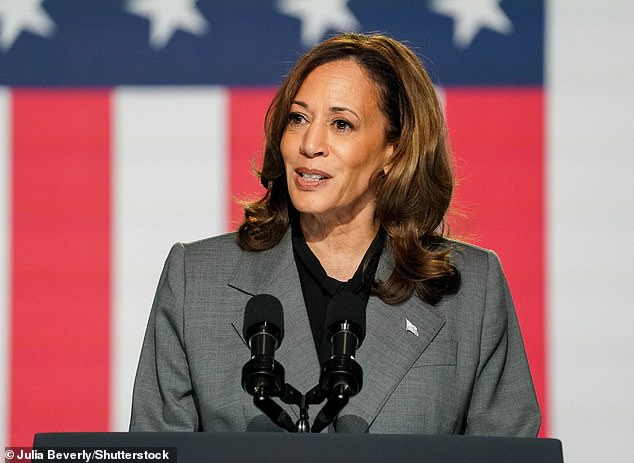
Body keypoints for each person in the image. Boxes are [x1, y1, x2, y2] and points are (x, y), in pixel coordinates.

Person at [129, 32, 541, 435]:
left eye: (341, 124)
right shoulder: (195, 281)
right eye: (298, 118)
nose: (310, 143)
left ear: (393, 150)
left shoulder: (470, 291)